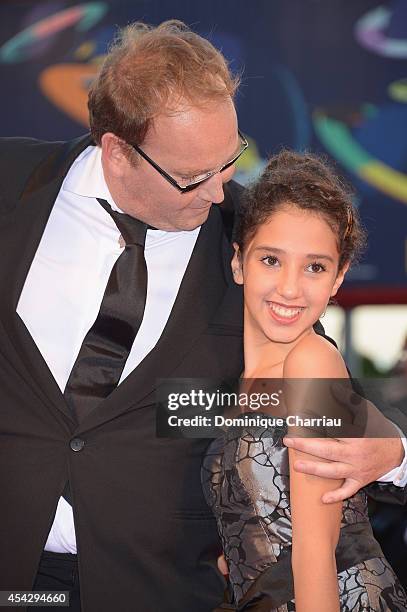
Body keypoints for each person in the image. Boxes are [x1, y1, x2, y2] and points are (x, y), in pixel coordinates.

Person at [0, 19, 405, 612]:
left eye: (229, 160)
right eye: (193, 177)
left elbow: (320, 394)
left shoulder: (251, 240)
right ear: (117, 152)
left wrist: (394, 450)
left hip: (160, 588)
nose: (219, 192)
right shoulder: (12, 185)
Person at [202, 150, 407, 611]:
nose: (290, 288)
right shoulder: (242, 383)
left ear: (338, 278)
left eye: (314, 266)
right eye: (271, 260)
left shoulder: (311, 360)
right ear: (239, 263)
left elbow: (315, 554)